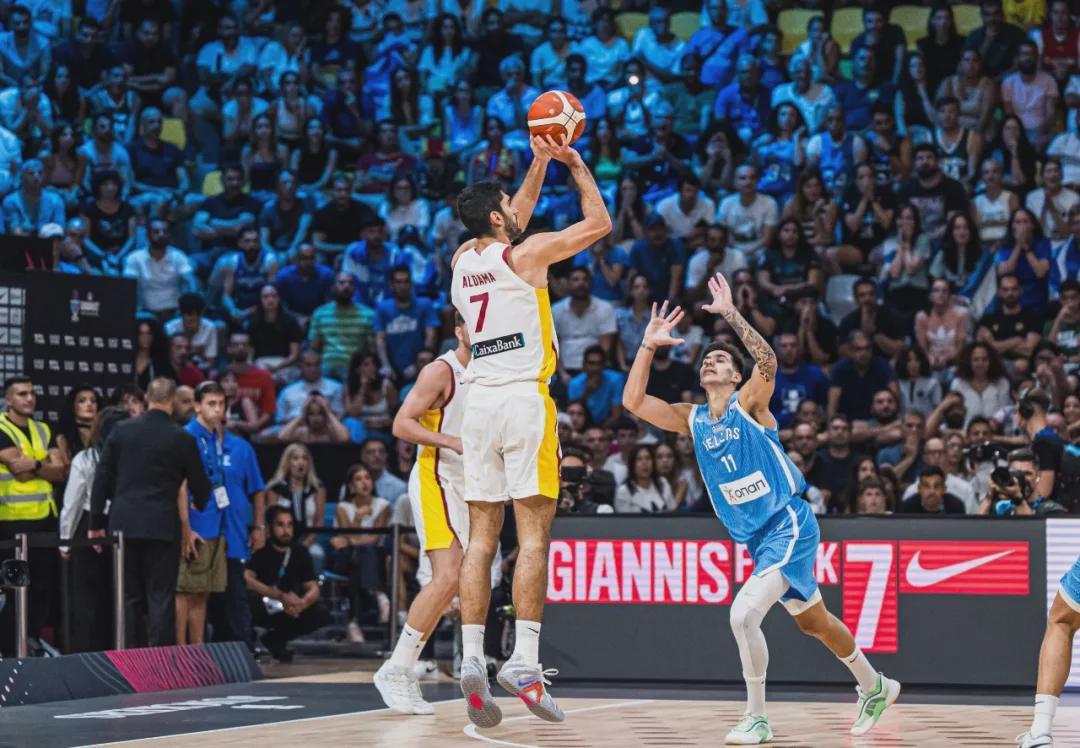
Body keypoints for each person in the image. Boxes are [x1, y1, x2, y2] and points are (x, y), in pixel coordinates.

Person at [622, 275, 900, 742]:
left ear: (735, 376)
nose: (710, 361)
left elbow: (767, 361)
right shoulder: (692, 419)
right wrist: (648, 345)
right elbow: (632, 400)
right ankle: (875, 686)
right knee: (814, 622)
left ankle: (757, 717)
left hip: (788, 523)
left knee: (742, 615)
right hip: (757, 539)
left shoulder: (748, 404)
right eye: (706, 359)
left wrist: (731, 314)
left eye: (721, 359)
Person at [450, 133, 611, 727]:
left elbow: (510, 217)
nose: (517, 211)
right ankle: (524, 660)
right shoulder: (529, 255)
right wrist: (575, 163)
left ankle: (471, 655)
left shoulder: (462, 259)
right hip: (524, 401)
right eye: (507, 208)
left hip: (478, 405)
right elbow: (599, 223)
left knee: (481, 539)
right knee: (535, 535)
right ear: (499, 218)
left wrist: (538, 161)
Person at [375, 314, 471, 714]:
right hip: (437, 477)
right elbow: (401, 424)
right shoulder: (440, 370)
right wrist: (449, 440)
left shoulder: (493, 370)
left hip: (470, 484)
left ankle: (406, 666)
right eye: (476, 325)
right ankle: (396, 668)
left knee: (456, 583)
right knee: (446, 575)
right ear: (460, 331)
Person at [89, 378, 213, 648]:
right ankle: (159, 661)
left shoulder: (122, 430)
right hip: (162, 525)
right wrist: (202, 502)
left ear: (147, 398)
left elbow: (102, 476)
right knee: (161, 597)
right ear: (172, 401)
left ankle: (130, 659)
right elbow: (199, 482)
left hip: (124, 524)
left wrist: (95, 521)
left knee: (129, 597)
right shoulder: (182, 437)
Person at [179, 381, 265, 648]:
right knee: (188, 592)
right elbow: (179, 485)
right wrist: (185, 528)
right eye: (211, 404)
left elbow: (257, 489)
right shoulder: (187, 437)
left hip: (226, 531)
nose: (218, 410)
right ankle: (182, 653)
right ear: (197, 406)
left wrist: (258, 526)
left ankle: (214, 652)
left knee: (213, 595)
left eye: (221, 404)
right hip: (197, 529)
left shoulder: (227, 443)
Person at [0, 377, 67, 654]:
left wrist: (35, 464)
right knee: (15, 587)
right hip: (11, 523)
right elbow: (19, 472)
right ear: (8, 399)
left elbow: (60, 471)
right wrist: (44, 465)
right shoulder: (1, 427)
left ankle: (32, 641)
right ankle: (9, 647)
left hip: (45, 520)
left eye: (31, 393)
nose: (29, 398)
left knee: (42, 586)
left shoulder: (43, 428)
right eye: (22, 394)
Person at [59, 406, 128, 652]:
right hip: (121, 525)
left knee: (86, 597)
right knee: (115, 594)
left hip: (89, 526)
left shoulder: (85, 459)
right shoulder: (132, 460)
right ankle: (116, 650)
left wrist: (65, 540)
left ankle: (85, 652)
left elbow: (72, 503)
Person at [245, 506, 326, 662]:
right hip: (264, 602)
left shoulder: (300, 552)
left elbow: (313, 587)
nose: (286, 530)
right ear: (270, 527)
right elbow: (247, 580)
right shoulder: (260, 549)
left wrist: (302, 603)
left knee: (320, 611)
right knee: (247, 601)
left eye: (289, 525)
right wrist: (279, 595)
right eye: (280, 525)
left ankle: (276, 639)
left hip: (290, 606)